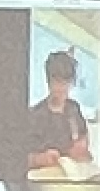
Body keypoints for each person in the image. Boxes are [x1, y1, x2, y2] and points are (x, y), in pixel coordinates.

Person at [26, 45, 95, 177]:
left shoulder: (73, 109)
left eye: (66, 83)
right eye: (57, 82)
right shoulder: (35, 115)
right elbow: (22, 159)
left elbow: (83, 141)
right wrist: (40, 159)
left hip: (73, 175)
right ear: (48, 81)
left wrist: (82, 148)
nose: (62, 89)